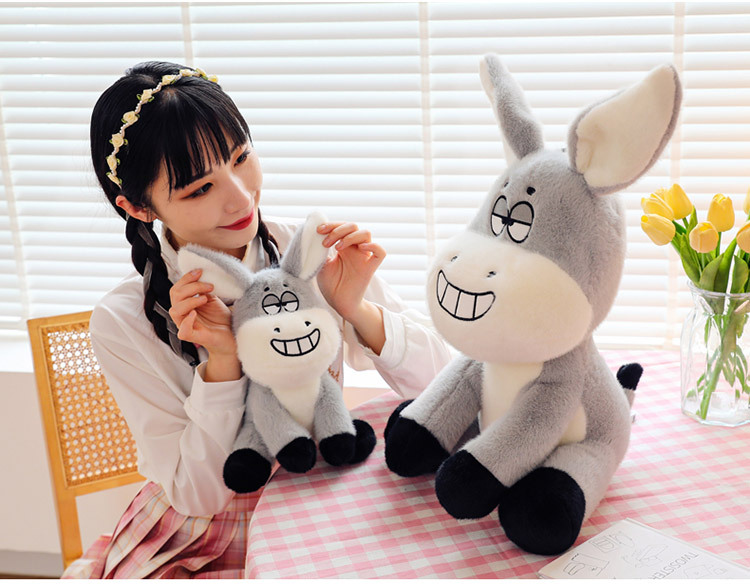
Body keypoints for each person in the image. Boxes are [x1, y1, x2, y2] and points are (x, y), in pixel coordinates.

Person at [63, 61, 452, 579]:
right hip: (203, 540)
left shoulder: (305, 250)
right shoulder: (123, 322)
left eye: (241, 157)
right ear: (138, 208)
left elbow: (444, 389)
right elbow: (199, 496)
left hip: (317, 499)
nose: (240, 197)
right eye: (199, 188)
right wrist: (222, 365)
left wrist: (355, 308)